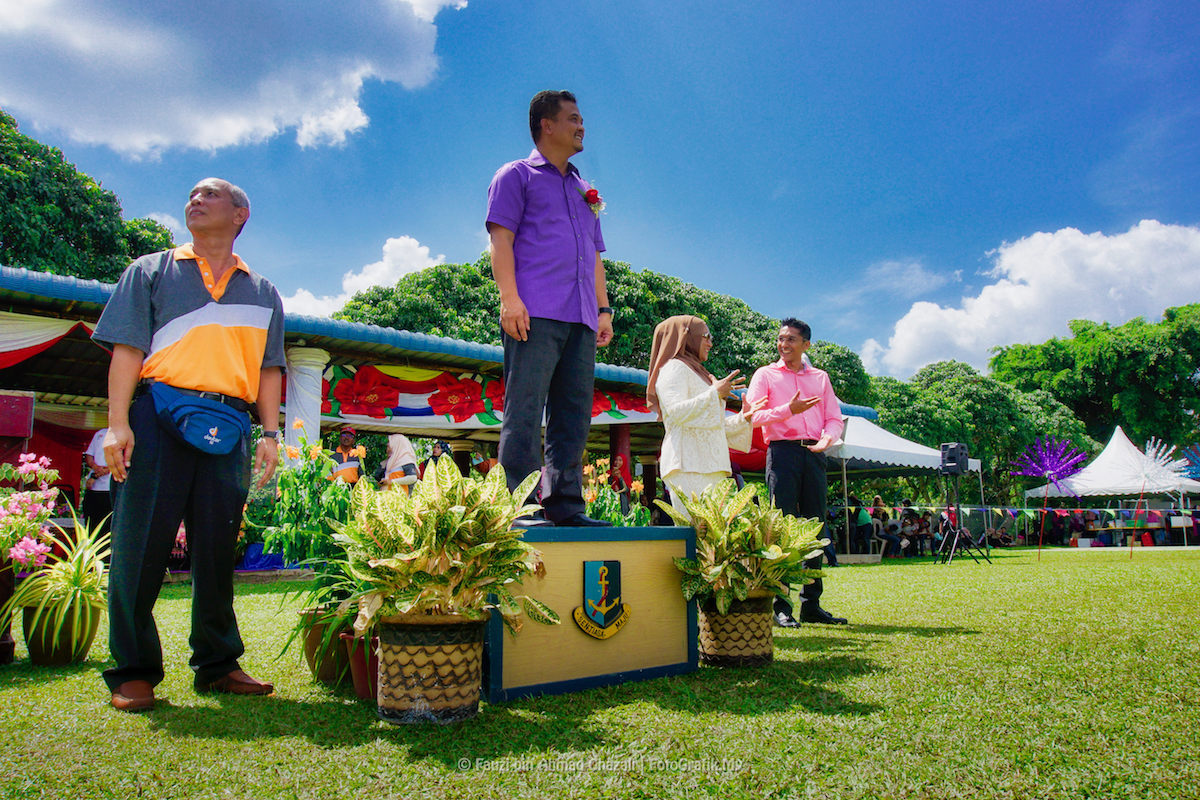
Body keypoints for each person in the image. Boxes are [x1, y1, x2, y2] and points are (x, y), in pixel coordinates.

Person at [93, 177, 284, 712]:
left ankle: (218, 664)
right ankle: (133, 671)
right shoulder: (150, 270)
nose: (196, 200)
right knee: (140, 546)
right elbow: (127, 350)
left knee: (218, 549)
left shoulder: (264, 291)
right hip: (157, 415)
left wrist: (270, 434)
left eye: (211, 194)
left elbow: (269, 369)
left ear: (240, 214)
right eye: (193, 195)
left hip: (230, 423)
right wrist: (117, 424)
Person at [486, 90, 613, 528]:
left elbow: (594, 255)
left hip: (581, 317)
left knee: (573, 415)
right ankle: (519, 506)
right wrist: (509, 298)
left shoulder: (583, 189)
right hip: (533, 312)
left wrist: (603, 310)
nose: (582, 126)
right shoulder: (515, 175)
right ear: (547, 125)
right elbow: (500, 239)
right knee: (524, 410)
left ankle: (566, 505)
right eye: (573, 118)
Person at [746, 318, 847, 626]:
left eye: (790, 339)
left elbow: (834, 418)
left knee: (815, 528)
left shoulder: (820, 377)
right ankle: (781, 606)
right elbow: (752, 416)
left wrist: (827, 439)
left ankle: (812, 605)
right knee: (780, 528)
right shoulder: (765, 374)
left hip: (815, 454)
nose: (783, 344)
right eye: (780, 338)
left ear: (806, 344)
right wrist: (788, 410)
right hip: (782, 453)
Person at [645, 315, 767, 519]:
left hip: (712, 465)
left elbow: (712, 425)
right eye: (706, 336)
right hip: (687, 464)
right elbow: (676, 412)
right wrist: (714, 393)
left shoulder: (699, 372)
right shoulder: (673, 368)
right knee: (694, 530)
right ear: (687, 336)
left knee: (713, 533)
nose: (710, 343)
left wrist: (743, 418)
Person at [82, 427, 112, 536]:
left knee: (107, 524)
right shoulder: (100, 433)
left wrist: (103, 471)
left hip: (110, 488)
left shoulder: (123, 433)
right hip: (94, 488)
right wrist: (95, 468)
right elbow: (89, 455)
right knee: (91, 522)